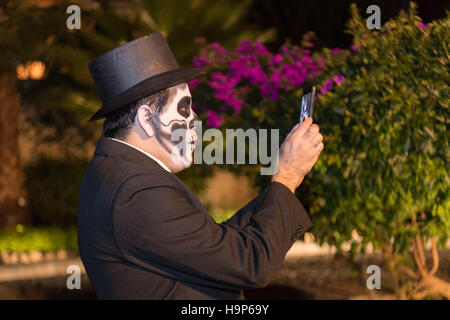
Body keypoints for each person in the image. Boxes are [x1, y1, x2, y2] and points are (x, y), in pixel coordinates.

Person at [78, 32, 324, 299]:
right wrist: (287, 177)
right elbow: (250, 265)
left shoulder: (118, 171)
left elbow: (212, 243)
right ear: (147, 118)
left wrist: (280, 183)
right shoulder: (136, 191)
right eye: (184, 109)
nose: (195, 120)